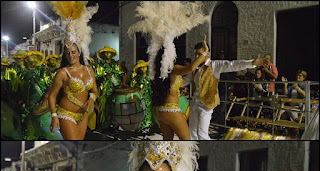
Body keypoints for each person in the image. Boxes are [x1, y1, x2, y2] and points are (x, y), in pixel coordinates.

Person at [128, 1, 210, 140]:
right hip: (171, 110)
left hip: (159, 111)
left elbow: (181, 82)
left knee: (168, 142)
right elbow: (190, 68)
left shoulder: (158, 71)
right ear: (169, 53)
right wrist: (204, 54)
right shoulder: (173, 69)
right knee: (186, 142)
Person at [189, 42, 269, 140]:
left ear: (207, 53)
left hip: (206, 105)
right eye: (195, 54)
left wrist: (251, 63)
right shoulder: (194, 68)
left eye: (199, 54)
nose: (197, 57)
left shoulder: (214, 65)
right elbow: (185, 80)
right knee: (192, 134)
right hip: (194, 103)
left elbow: (232, 65)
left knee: (202, 134)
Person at [48, 1, 99, 140]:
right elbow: (52, 96)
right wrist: (54, 116)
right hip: (66, 114)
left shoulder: (89, 71)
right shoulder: (63, 73)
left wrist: (91, 99)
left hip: (83, 115)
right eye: (68, 53)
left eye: (73, 52)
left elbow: (94, 91)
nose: (71, 55)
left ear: (79, 52)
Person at [95, 45, 125, 130]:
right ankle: (104, 126)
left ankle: (115, 125)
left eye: (109, 53)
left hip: (116, 89)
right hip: (104, 90)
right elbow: (96, 78)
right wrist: (104, 77)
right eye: (106, 53)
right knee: (104, 108)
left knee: (115, 107)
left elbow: (122, 74)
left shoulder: (116, 64)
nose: (108, 54)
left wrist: (122, 83)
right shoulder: (100, 65)